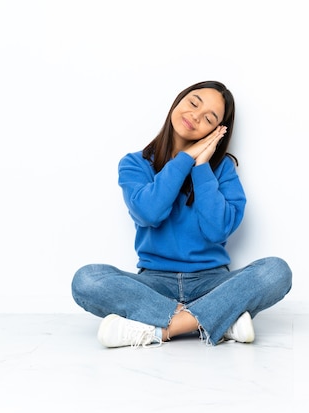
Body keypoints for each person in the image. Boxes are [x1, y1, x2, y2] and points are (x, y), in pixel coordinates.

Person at [71, 80, 292, 348]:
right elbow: (149, 213)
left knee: (276, 271)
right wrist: (185, 159)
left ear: (217, 131)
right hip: (153, 283)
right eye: (193, 103)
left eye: (209, 118)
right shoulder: (135, 163)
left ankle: (158, 330)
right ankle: (219, 320)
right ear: (178, 101)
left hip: (212, 282)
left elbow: (217, 230)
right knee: (87, 280)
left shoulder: (222, 169)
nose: (195, 116)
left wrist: (201, 167)